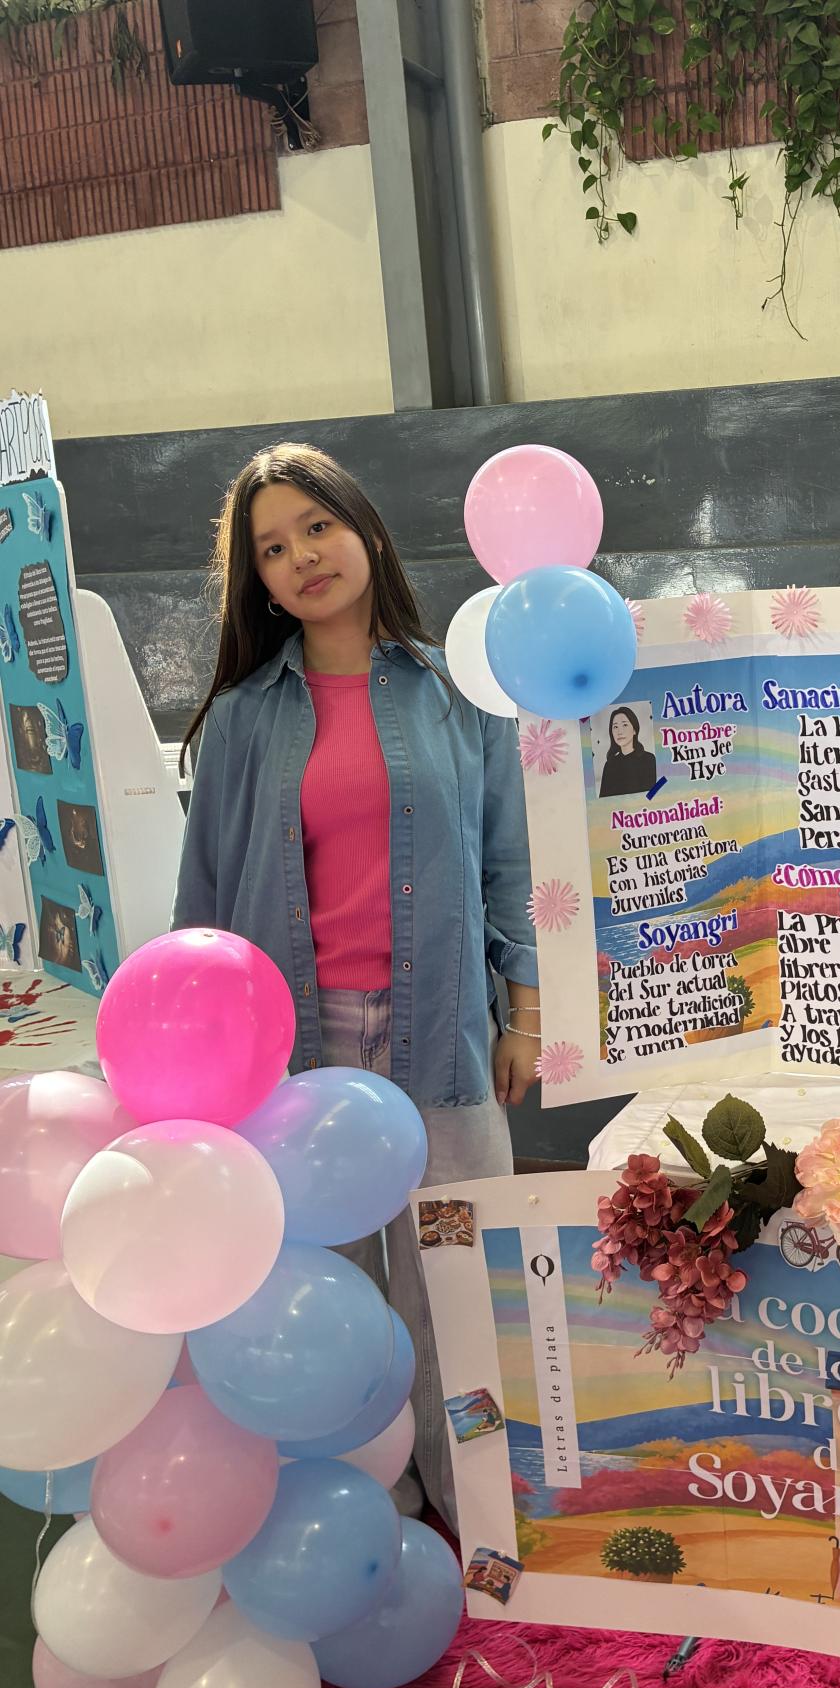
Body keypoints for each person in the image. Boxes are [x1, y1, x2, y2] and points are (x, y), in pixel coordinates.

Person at [172, 442, 539, 1526]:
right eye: (271, 549)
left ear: (364, 528)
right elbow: (203, 905)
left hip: (443, 1035)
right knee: (328, 1302)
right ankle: (364, 1511)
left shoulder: (455, 692)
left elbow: (508, 864)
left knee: (459, 1291)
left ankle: (477, 1512)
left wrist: (523, 1013)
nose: (301, 557)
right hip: (296, 1059)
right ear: (257, 581)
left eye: (316, 527)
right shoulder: (244, 717)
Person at [598, 705, 658, 798]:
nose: (619, 732)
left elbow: (652, 796)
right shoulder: (609, 764)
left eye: (625, 725)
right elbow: (603, 800)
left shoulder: (649, 759)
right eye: (615, 727)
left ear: (634, 730)